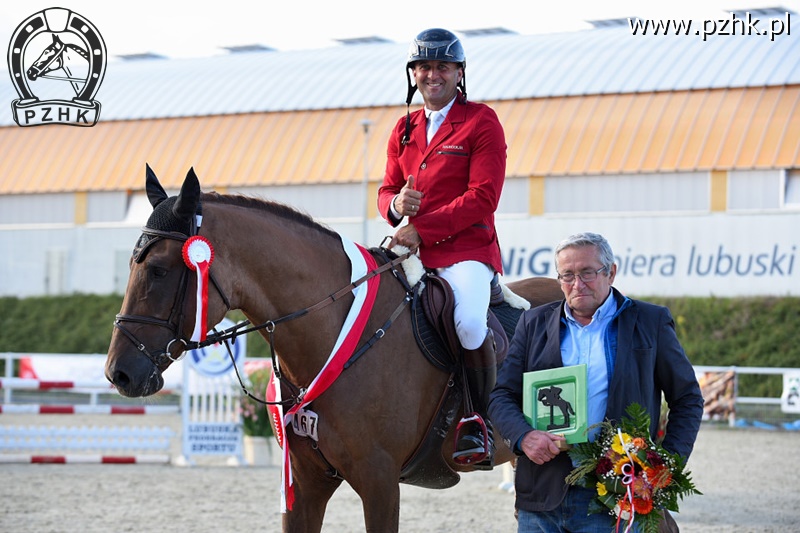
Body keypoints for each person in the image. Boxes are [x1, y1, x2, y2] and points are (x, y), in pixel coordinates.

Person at [488, 232, 704, 532]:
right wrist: (523, 437)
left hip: (616, 496)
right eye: (567, 275)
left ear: (611, 272)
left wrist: (663, 467)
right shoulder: (532, 322)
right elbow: (502, 396)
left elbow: (688, 399)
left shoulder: (651, 321)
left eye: (587, 273)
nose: (577, 284)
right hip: (541, 498)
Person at [378, 28, 507, 467]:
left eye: (442, 67)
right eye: (424, 67)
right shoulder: (404, 127)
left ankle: (479, 421)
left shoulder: (480, 121)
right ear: (413, 73)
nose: (432, 74)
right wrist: (396, 205)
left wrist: (422, 228)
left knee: (469, 323)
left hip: (466, 250)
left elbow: (483, 198)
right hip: (410, 247)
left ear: (459, 73)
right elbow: (386, 191)